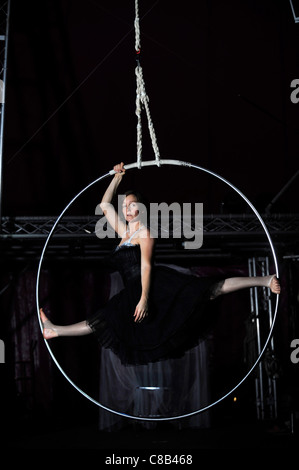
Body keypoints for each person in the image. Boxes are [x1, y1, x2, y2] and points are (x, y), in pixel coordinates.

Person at [40, 162, 281, 365]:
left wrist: (144, 298)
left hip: (153, 286)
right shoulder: (123, 232)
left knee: (210, 290)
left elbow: (145, 266)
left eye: (132, 204)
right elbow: (104, 205)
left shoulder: (145, 233)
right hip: (131, 291)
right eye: (125, 205)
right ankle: (55, 330)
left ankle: (264, 280)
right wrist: (117, 178)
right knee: (104, 318)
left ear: (141, 208)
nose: (126, 208)